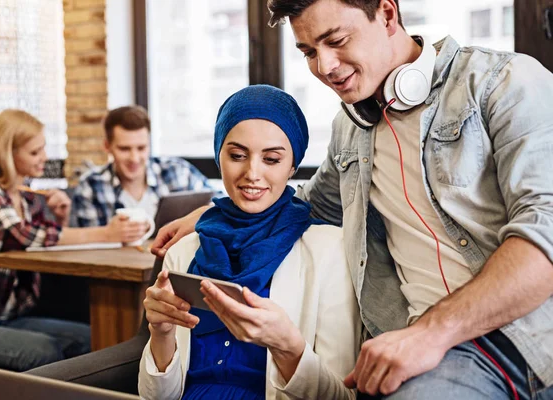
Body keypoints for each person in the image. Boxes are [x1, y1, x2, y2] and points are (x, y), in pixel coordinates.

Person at [150, 0, 553, 398]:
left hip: (516, 337)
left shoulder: (505, 82)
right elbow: (306, 204)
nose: (324, 67)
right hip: (409, 344)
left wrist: (429, 334)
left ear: (388, 14)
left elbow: (545, 236)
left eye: (337, 40)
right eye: (309, 51)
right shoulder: (351, 128)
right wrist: (210, 212)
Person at [138, 85, 362, 399]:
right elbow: (156, 397)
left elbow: (342, 396)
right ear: (219, 157)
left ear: (292, 167)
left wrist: (288, 347)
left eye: (271, 159)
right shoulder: (185, 250)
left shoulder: (329, 251)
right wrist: (160, 333)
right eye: (237, 156)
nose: (251, 173)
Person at [0, 109, 151, 371]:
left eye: (43, 149)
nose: (44, 158)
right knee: (46, 352)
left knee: (95, 340)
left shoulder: (27, 199)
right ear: (7, 154)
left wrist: (62, 219)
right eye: (35, 152)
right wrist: (106, 233)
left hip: (8, 315)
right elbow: (20, 236)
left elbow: (46, 246)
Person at [72, 105, 213, 228]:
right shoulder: (90, 187)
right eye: (124, 149)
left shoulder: (178, 173)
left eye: (141, 148)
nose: (134, 158)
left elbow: (221, 208)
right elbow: (91, 251)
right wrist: (108, 235)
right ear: (107, 146)